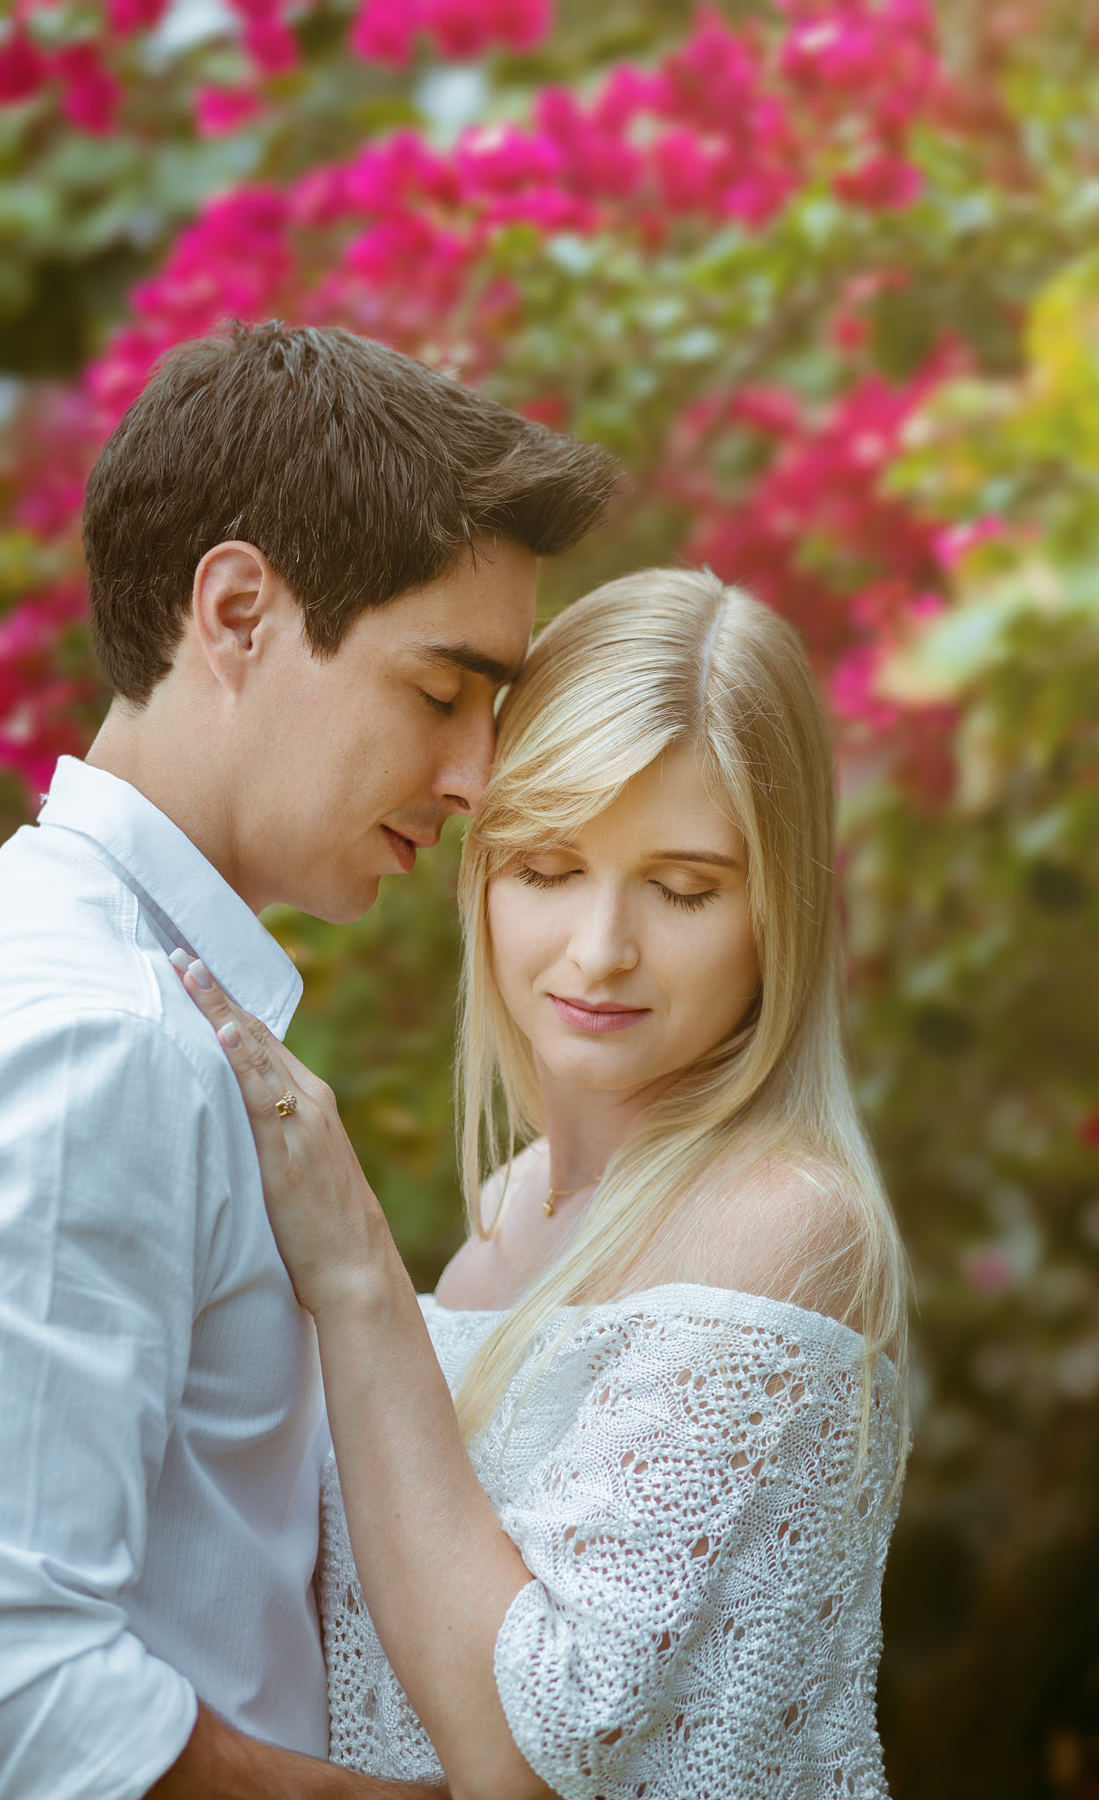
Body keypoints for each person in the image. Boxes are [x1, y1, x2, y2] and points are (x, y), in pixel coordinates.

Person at [0, 319, 618, 1800]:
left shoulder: (100, 977)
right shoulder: (107, 1040)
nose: (476, 781)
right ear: (237, 612)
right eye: (441, 692)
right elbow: (28, 1687)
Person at [174, 567, 913, 1800]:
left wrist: (356, 1275)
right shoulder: (507, 1217)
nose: (601, 949)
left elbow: (523, 1759)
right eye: (549, 868)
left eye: (683, 888)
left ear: (776, 913)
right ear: (481, 876)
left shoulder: (782, 1225)